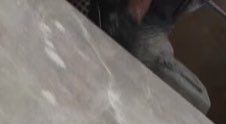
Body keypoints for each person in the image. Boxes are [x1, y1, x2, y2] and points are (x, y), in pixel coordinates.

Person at [69, 0, 211, 114]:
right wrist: (124, 26)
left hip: (153, 26)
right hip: (125, 15)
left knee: (200, 100)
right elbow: (135, 11)